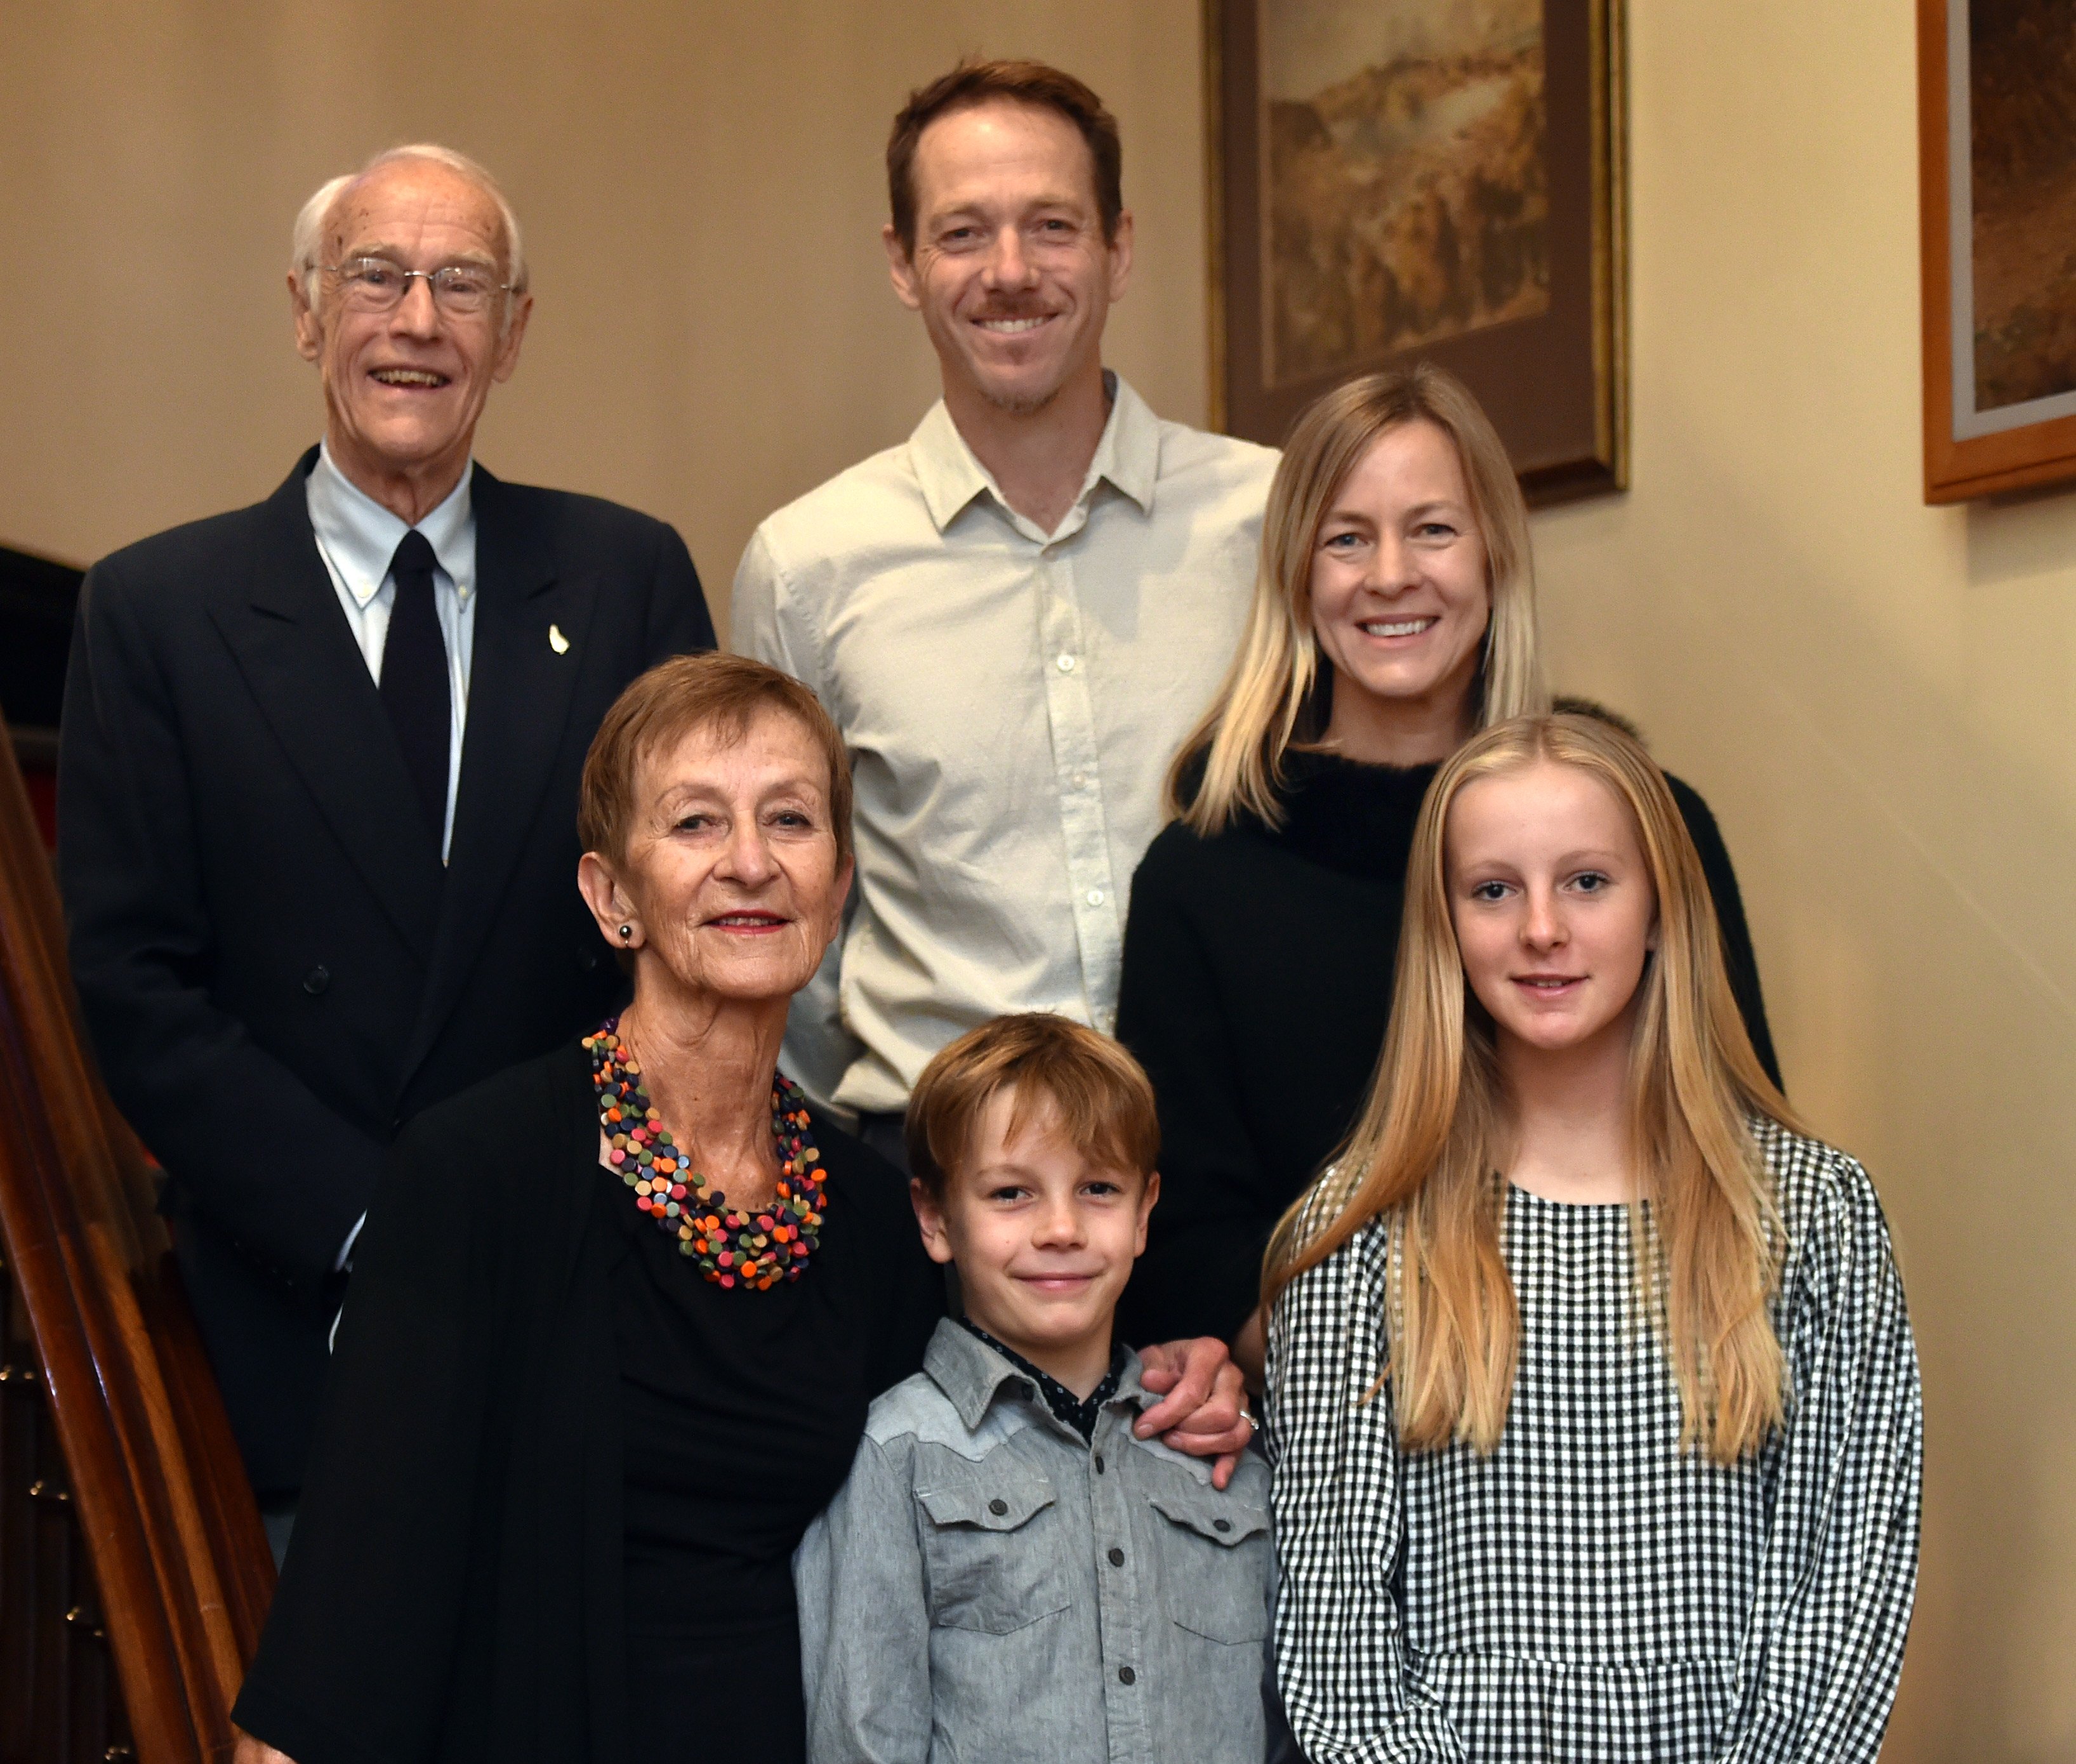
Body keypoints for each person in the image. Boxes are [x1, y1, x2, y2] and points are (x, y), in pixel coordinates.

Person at [228, 654, 1251, 1764]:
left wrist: (1183, 1378)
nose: (752, 864)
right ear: (612, 896)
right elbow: (346, 1627)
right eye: (696, 825)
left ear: (840, 883)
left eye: (791, 821)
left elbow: (1020, 1434)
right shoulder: (480, 1171)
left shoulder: (869, 1210)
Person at [57, 144, 715, 1534]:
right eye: (376, 276)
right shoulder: (158, 610)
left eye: (461, 283)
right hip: (300, 1329)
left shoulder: (625, 577)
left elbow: (694, 939)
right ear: (306, 312)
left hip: (580, 1301)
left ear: (514, 331)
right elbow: (132, 981)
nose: (417, 321)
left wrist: (556, 1213)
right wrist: (375, 1226)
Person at [1264, 713, 1922, 1762]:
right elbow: (1336, 1635)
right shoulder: (1356, 1238)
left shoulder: (1813, 1215)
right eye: (1492, 890)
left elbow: (1845, 1579)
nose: (1540, 929)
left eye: (1586, 882)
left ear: (1660, 907)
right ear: (1445, 927)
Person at [1114, 363, 1778, 1369]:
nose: (1389, 575)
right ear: (1296, 574)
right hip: (1333, 1424)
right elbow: (1189, 1248)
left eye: (1431, 529)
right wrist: (1408, 1390)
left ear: (1495, 556)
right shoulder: (1197, 878)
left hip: (1641, 1402)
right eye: (1346, 538)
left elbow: (1735, 1152)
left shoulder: (1650, 826)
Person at [731, 58, 1278, 1168]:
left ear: (1119, 248)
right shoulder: (807, 566)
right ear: (902, 263)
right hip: (932, 1186)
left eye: (1053, 226)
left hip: (1238, 1170)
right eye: (964, 233)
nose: (1012, 272)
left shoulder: (1271, 521)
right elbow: (784, 916)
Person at [795, 1013, 1274, 1764]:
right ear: (934, 1215)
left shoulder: (1225, 1460)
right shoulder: (893, 1457)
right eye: (1012, 1192)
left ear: (1146, 1210)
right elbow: (862, 1738)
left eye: (1097, 1187)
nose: (1060, 1227)